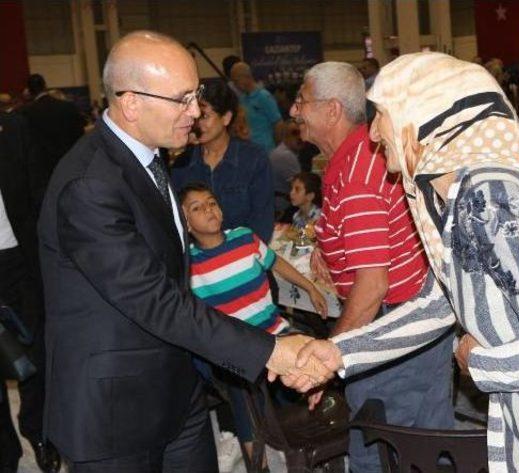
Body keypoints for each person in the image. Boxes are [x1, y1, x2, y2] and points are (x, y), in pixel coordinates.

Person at [284, 51, 519, 473]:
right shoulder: (462, 201)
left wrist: (477, 361)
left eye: (383, 117)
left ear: (424, 121)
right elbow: (434, 306)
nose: (375, 134)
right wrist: (338, 353)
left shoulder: (490, 196)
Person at [37, 30, 330, 472]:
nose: (194, 113)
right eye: (182, 99)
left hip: (176, 390)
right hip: (115, 410)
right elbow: (154, 299)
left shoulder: (149, 159)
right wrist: (273, 350)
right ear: (131, 102)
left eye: (195, 96)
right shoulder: (90, 185)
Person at [290, 61, 454, 473]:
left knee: (379, 452)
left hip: (388, 331)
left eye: (301, 102)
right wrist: (329, 245)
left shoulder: (356, 175)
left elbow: (372, 285)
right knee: (430, 446)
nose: (294, 112)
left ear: (331, 110)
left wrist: (331, 352)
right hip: (417, 321)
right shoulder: (362, 154)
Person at [179, 182, 326, 463]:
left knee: (311, 364)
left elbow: (276, 263)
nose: (208, 209)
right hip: (236, 347)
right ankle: (257, 461)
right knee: (243, 396)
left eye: (211, 202)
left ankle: (312, 446)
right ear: (186, 224)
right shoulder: (190, 266)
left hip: (276, 332)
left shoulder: (245, 238)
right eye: (197, 208)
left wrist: (310, 287)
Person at [0, 111, 59, 473]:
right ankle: (5, 455)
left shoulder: (15, 128)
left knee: (33, 354)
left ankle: (39, 431)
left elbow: (39, 192)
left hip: (19, 262)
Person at [171, 79, 275, 244]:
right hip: (200, 262)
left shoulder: (253, 159)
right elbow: (178, 225)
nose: (196, 123)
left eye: (204, 116)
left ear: (226, 118)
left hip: (247, 258)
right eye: (193, 115)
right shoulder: (182, 165)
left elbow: (262, 222)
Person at [20, 73, 85, 182]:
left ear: (29, 91)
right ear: (45, 86)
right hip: (70, 166)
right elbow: (80, 138)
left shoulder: (25, 113)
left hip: (42, 171)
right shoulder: (68, 107)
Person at [230, 62, 283, 154]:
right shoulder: (242, 99)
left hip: (267, 151)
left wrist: (277, 150)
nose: (234, 85)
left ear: (246, 77)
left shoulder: (264, 97)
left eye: (236, 81)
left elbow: (278, 124)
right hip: (248, 151)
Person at [269, 121, 302, 217]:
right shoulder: (285, 155)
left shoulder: (284, 152)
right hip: (282, 210)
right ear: (285, 136)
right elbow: (303, 186)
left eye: (301, 132)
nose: (299, 137)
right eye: (294, 133)